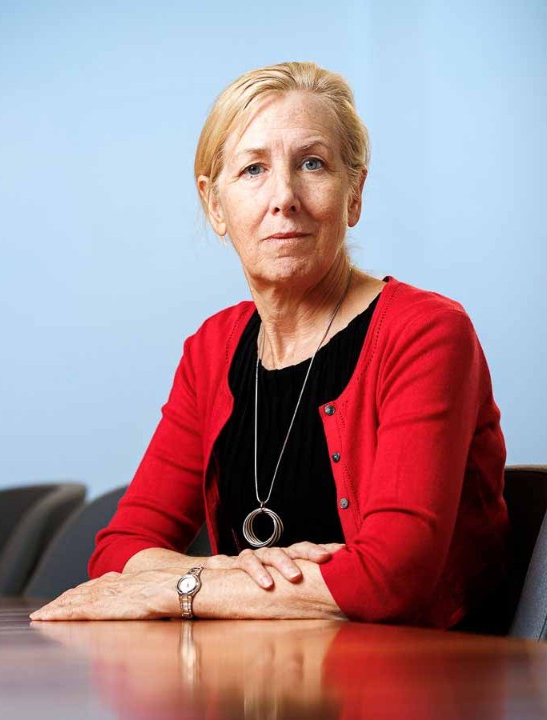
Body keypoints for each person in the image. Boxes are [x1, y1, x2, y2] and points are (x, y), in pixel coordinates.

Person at [31, 61, 507, 629]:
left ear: (354, 193)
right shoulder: (211, 350)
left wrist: (184, 587)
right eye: (253, 168)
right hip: (251, 672)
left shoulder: (425, 332)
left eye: (312, 164)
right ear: (215, 204)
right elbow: (118, 550)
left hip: (413, 672)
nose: (284, 197)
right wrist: (229, 577)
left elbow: (390, 577)